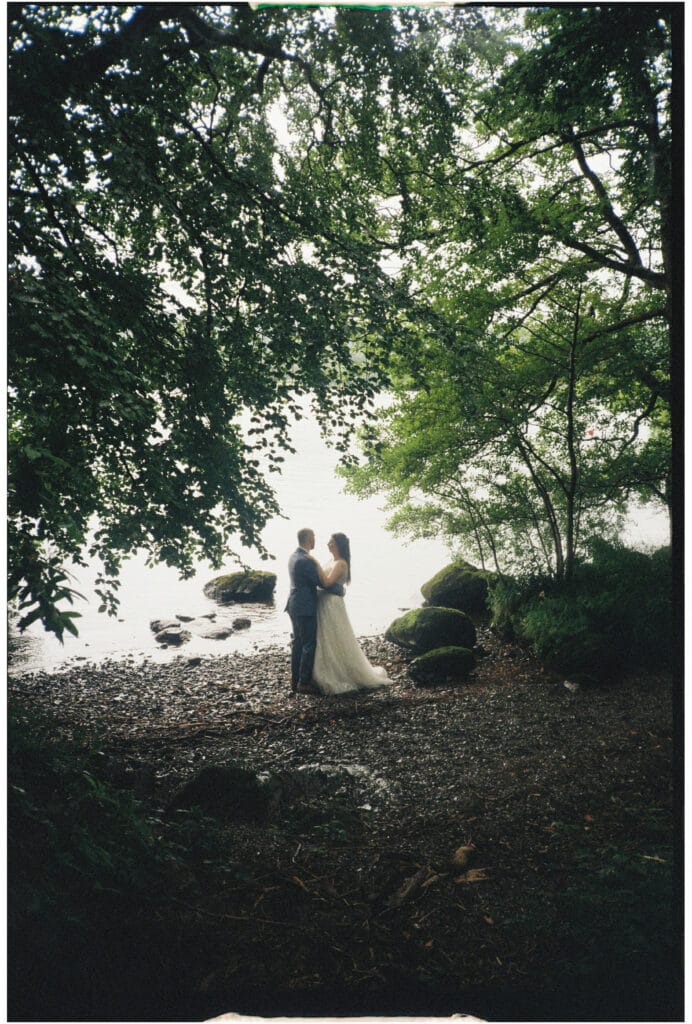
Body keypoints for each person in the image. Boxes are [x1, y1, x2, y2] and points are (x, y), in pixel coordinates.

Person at [308, 532, 391, 696]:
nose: (328, 544)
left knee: (334, 637)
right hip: (324, 603)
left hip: (331, 604)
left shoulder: (341, 564)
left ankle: (338, 672)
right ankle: (321, 671)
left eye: (331, 542)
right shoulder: (331, 561)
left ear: (338, 545)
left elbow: (327, 582)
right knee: (324, 637)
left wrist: (314, 563)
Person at [285, 528, 344, 696]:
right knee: (308, 644)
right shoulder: (306, 560)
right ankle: (303, 683)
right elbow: (323, 583)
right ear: (309, 539)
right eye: (314, 537)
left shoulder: (293, 556)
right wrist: (340, 590)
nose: (315, 540)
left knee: (298, 643)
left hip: (294, 604)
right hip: (304, 607)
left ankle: (295, 680)